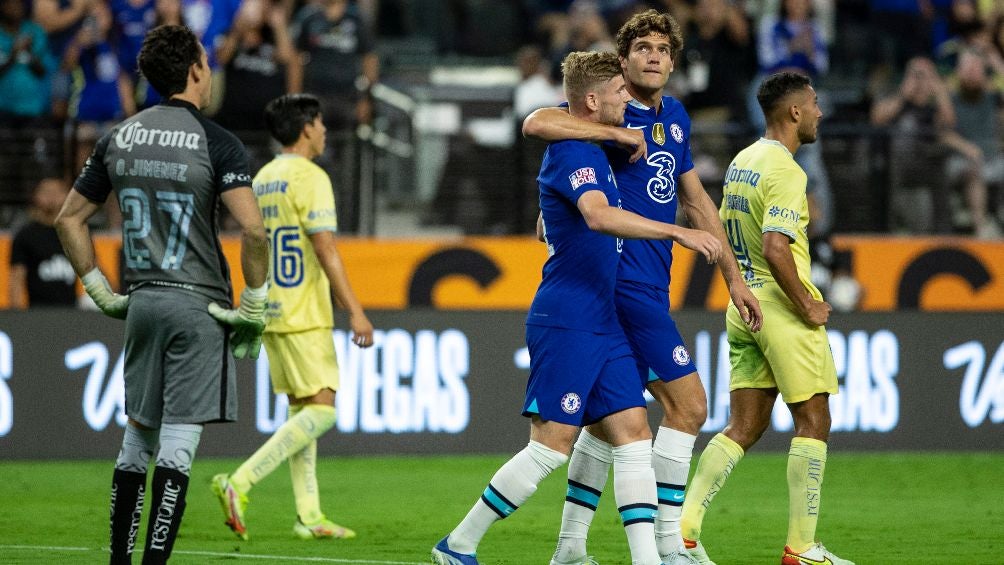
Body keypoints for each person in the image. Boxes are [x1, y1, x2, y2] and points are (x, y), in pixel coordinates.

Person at [432, 50, 724, 565]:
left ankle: (648, 560)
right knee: (550, 447)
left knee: (633, 436)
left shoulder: (595, 147)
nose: (624, 98)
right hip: (567, 316)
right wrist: (677, 229)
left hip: (604, 317)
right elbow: (596, 215)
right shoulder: (572, 151)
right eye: (616, 92)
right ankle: (458, 544)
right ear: (593, 100)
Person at [522, 10, 762, 564]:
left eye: (664, 49)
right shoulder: (606, 106)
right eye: (643, 48)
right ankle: (670, 544)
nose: (654, 56)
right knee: (690, 406)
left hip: (654, 281)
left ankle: (570, 547)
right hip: (622, 282)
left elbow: (698, 200)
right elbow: (537, 124)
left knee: (614, 426)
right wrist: (610, 133)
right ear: (624, 58)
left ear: (674, 63)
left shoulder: (674, 117)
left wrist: (734, 278)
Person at [53, 24, 269, 564]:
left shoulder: (118, 136)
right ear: (196, 71)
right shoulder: (217, 141)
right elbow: (254, 230)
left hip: (142, 300)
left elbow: (69, 219)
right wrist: (254, 302)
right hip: (198, 304)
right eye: (206, 61)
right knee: (177, 444)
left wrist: (99, 288)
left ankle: (119, 560)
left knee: (136, 439)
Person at [678, 71, 854, 565]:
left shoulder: (743, 161)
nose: (820, 112)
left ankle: (684, 533)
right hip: (780, 308)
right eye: (815, 104)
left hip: (744, 306)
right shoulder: (787, 171)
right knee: (814, 420)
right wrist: (808, 305)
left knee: (744, 426)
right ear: (794, 112)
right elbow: (777, 247)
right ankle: (801, 549)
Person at [210, 93, 375, 541]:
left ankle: (309, 515)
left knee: (302, 413)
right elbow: (325, 248)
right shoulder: (311, 176)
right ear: (306, 128)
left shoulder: (261, 178)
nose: (323, 131)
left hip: (272, 310)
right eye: (319, 124)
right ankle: (239, 481)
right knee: (322, 413)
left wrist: (255, 302)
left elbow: (251, 240)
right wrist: (355, 312)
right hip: (305, 312)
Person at [9, 177, 75, 308]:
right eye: (46, 192)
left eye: (57, 192)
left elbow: (94, 268)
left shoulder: (75, 233)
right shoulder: (25, 236)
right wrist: (17, 313)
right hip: (38, 313)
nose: (52, 197)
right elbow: (16, 279)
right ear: (36, 196)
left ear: (68, 196)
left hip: (72, 312)